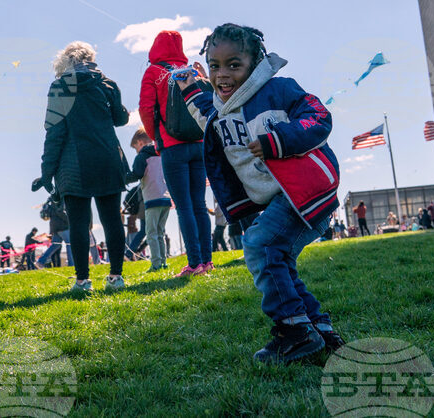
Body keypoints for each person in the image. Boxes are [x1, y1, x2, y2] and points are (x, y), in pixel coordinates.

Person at [176, 23, 344, 364]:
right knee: (277, 259)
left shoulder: (279, 90)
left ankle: (293, 332)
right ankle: (317, 328)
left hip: (305, 194)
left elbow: (319, 116)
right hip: (282, 200)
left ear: (255, 64)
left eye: (233, 65)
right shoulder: (221, 109)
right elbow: (207, 117)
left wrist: (277, 141)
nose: (222, 74)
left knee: (259, 245)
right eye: (214, 65)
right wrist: (190, 89)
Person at [34, 41, 130, 293]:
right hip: (107, 157)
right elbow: (120, 119)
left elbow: (54, 133)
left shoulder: (59, 86)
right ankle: (116, 277)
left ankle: (82, 281)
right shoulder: (107, 84)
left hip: (72, 163)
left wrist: (47, 171)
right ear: (91, 58)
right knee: (112, 220)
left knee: (78, 223)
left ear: (65, 61)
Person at [138, 30, 211, 277]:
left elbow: (146, 110)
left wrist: (158, 139)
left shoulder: (154, 73)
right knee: (199, 203)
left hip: (172, 146)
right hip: (199, 142)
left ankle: (195, 263)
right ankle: (207, 261)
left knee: (184, 206)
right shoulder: (191, 70)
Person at [126, 127, 172, 271]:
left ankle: (156, 264)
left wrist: (123, 178)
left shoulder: (142, 156)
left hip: (152, 199)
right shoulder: (161, 153)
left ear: (140, 142)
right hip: (166, 198)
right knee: (160, 232)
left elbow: (137, 174)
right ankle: (163, 262)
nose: (136, 151)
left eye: (135, 148)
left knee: (151, 233)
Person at [36, 199, 72, 268]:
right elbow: (60, 212)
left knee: (55, 245)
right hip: (62, 226)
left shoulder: (52, 199)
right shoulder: (60, 198)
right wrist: (69, 221)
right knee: (69, 243)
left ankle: (41, 261)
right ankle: (71, 264)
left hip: (54, 227)